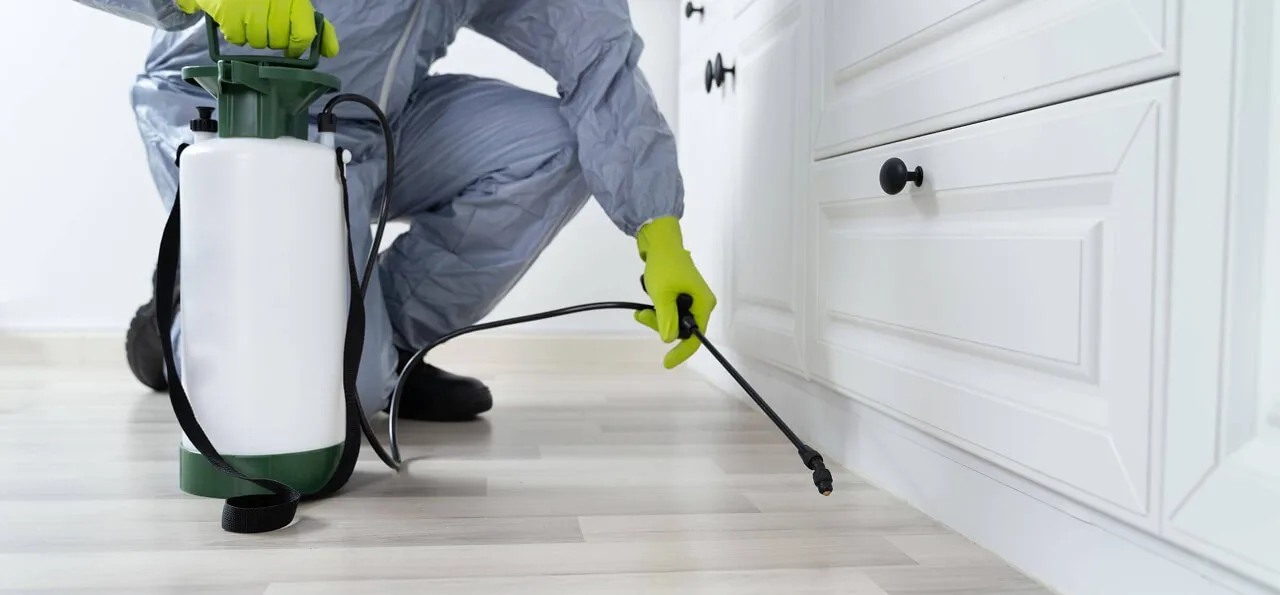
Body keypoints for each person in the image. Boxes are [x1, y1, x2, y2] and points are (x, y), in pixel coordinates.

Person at [78, 0, 716, 421]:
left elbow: (599, 56)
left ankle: (389, 354)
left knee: (555, 147)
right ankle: (183, 321)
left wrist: (659, 232)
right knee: (313, 402)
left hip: (374, 124)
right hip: (234, 113)